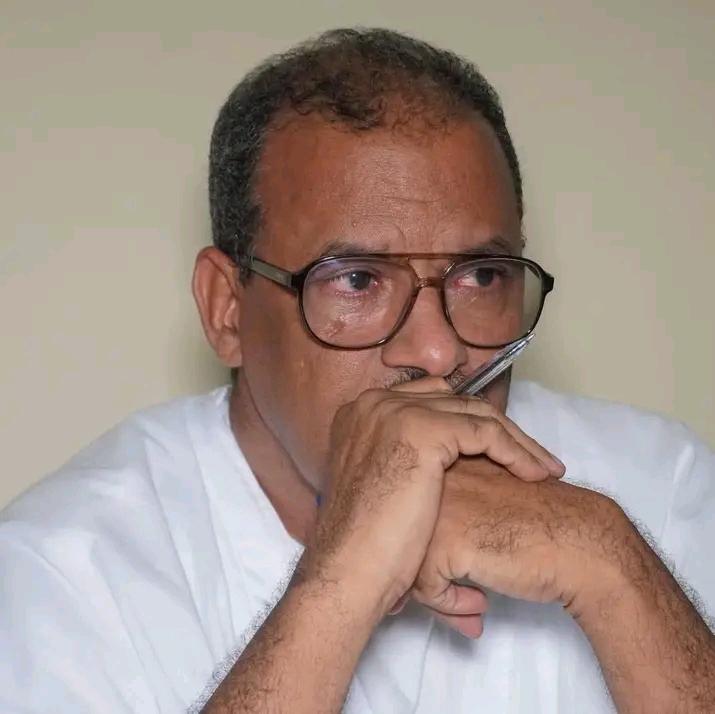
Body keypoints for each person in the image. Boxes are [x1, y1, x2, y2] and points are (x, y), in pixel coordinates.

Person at [1, 27, 713, 714]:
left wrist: (611, 569)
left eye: (481, 275)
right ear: (227, 310)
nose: (437, 352)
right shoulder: (59, 573)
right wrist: (341, 582)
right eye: (357, 280)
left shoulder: (657, 485)